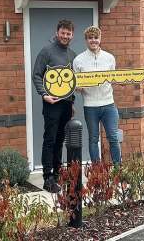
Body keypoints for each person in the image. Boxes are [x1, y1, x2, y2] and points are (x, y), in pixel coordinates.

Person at [32, 19, 76, 192]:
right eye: (63, 33)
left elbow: (71, 82)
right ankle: (48, 177)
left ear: (72, 35)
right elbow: (37, 75)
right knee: (50, 139)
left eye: (68, 33)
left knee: (60, 140)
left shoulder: (72, 55)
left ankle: (57, 174)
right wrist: (44, 94)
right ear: (57, 33)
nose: (65, 36)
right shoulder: (46, 51)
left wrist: (72, 103)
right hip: (51, 104)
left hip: (66, 105)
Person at [72, 26, 121, 165]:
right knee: (93, 139)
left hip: (109, 104)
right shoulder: (78, 60)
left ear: (100, 39)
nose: (93, 40)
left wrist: (120, 81)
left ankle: (117, 169)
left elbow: (112, 79)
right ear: (86, 40)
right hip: (90, 106)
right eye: (90, 38)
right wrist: (78, 88)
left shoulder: (109, 58)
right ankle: (96, 170)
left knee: (113, 137)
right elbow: (76, 84)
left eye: (96, 38)